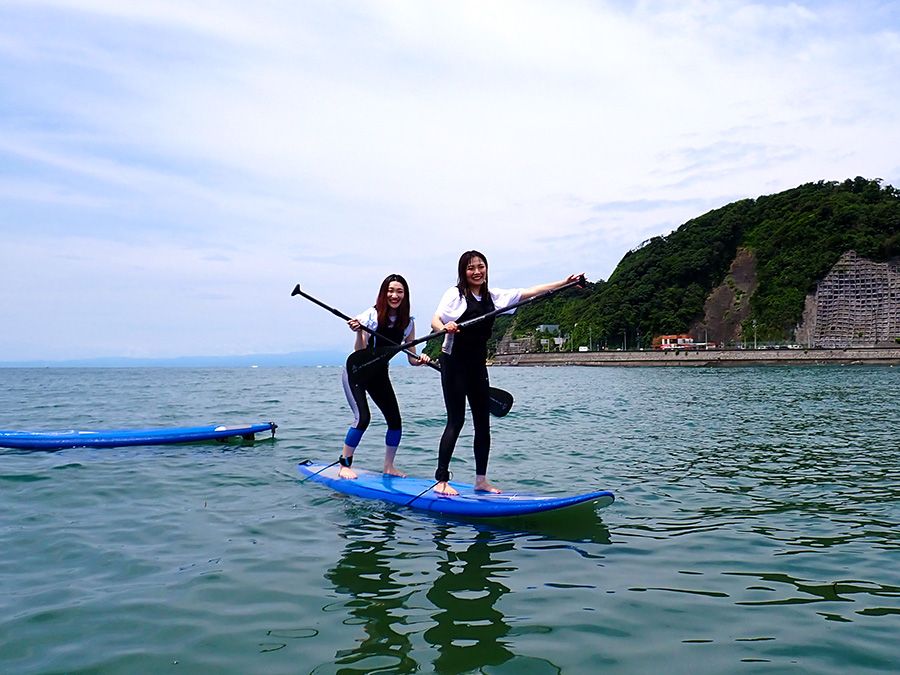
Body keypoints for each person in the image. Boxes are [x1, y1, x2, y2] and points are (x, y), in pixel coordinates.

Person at [431, 250, 583, 495]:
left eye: (481, 266)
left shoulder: (495, 297)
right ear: (463, 272)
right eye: (471, 268)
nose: (477, 271)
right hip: (453, 364)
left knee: (483, 424)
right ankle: (441, 480)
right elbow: (435, 319)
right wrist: (444, 327)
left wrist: (565, 283)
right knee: (456, 421)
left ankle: (481, 480)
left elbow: (531, 291)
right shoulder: (455, 295)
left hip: (477, 365)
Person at [338, 274, 431, 479]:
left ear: (405, 295)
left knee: (395, 421)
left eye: (399, 291)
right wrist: (358, 332)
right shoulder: (370, 316)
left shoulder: (407, 323)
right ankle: (344, 464)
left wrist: (422, 358)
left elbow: (412, 358)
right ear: (383, 293)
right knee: (363, 418)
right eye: (390, 290)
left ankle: (389, 466)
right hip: (356, 373)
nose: (394, 295)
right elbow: (359, 351)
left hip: (379, 375)